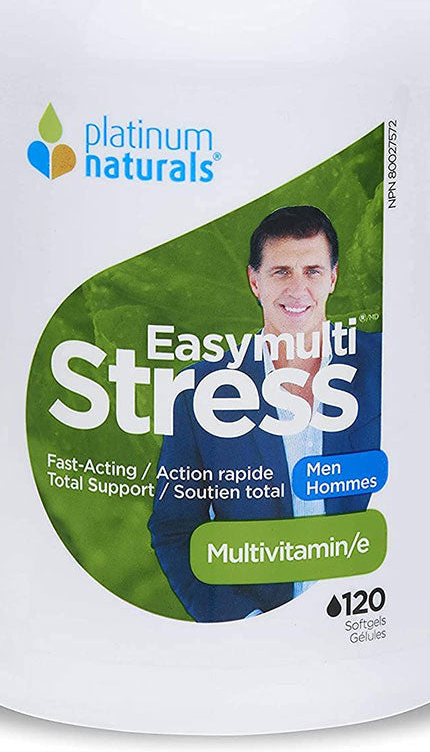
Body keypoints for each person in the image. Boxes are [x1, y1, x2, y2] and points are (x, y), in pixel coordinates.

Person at [148, 205, 381, 622]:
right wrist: (247, 625)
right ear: (255, 281)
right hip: (255, 628)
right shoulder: (201, 390)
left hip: (371, 608)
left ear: (333, 277)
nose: (298, 289)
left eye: (312, 271)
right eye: (281, 272)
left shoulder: (385, 362)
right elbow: (175, 530)